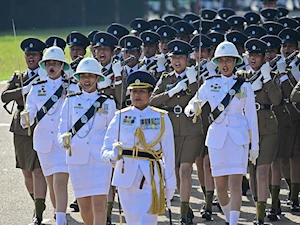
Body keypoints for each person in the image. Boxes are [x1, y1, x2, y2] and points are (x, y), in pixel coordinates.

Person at [184, 41, 259, 225]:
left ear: (235, 62)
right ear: (216, 63)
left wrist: (254, 146)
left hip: (238, 139)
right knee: (220, 188)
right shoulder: (210, 84)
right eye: (221, 60)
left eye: (229, 60)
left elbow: (251, 118)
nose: (225, 64)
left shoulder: (245, 86)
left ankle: (233, 222)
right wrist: (191, 108)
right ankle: (228, 218)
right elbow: (194, 103)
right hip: (217, 140)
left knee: (235, 184)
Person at [101, 70, 176, 225]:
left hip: (150, 176)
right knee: (132, 220)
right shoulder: (120, 116)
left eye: (142, 91)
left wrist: (170, 183)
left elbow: (169, 152)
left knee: (147, 220)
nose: (137, 95)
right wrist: (112, 154)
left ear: (150, 94)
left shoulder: (161, 117)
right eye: (134, 91)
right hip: (125, 175)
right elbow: (105, 149)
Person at [20, 46, 80, 225]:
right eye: (48, 64)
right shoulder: (37, 88)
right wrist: (27, 117)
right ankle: (58, 213)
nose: (52, 67)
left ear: (63, 65)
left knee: (60, 180)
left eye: (56, 63)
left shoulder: (73, 87)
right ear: (44, 66)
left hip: (64, 141)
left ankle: (61, 220)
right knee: (51, 181)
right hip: (43, 140)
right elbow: (30, 109)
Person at [149, 40, 203, 224]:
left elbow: (202, 99)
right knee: (176, 169)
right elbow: (152, 101)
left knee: (186, 169)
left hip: (191, 127)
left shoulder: (196, 76)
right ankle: (185, 208)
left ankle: (183, 213)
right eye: (174, 57)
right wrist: (171, 92)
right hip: (170, 128)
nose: (177, 61)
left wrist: (193, 81)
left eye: (181, 57)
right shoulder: (166, 78)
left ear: (188, 58)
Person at [58, 57, 116, 225]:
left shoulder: (108, 102)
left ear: (98, 78)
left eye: (91, 76)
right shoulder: (70, 101)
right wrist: (64, 139)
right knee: (84, 207)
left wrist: (113, 151)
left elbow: (112, 132)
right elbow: (62, 129)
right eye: (83, 76)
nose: (86, 80)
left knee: (99, 205)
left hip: (100, 159)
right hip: (77, 158)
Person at [1, 38, 47, 225]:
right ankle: (38, 205)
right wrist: (23, 89)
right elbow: (4, 96)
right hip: (20, 126)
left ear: (40, 57)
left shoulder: (46, 75)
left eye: (34, 55)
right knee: (26, 170)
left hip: (41, 123)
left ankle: (38, 213)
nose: (30, 58)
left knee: (37, 169)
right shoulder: (19, 76)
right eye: (28, 55)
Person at [243, 38, 282, 225]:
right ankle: (258, 204)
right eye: (250, 55)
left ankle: (260, 215)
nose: (253, 58)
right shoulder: (241, 76)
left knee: (262, 170)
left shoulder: (271, 75)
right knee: (251, 169)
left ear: (264, 58)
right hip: (247, 126)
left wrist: (266, 80)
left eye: (257, 55)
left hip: (267, 125)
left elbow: (276, 100)